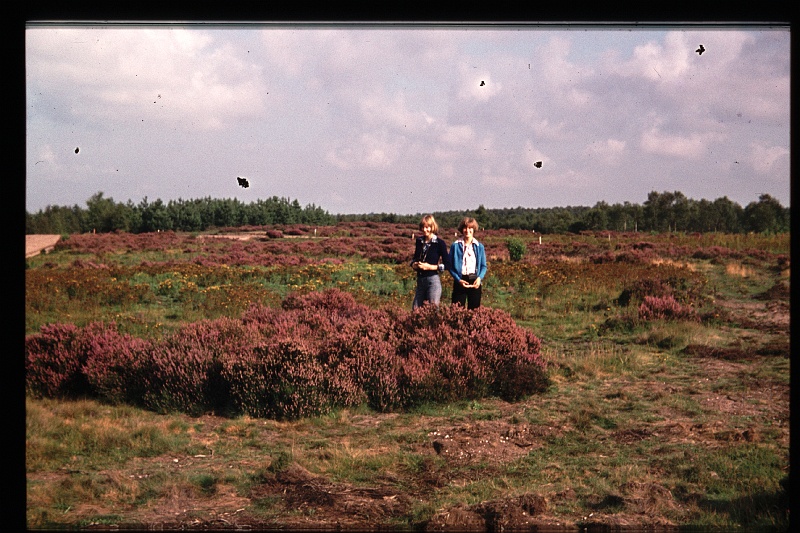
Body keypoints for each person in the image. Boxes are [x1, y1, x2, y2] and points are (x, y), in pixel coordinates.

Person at [411, 215, 450, 309]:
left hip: (432, 281)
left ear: (432, 227)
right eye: (423, 227)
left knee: (433, 310)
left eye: (427, 227)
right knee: (415, 309)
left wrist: (430, 267)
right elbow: (415, 258)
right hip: (420, 281)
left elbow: (448, 264)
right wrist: (414, 265)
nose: (425, 230)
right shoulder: (419, 241)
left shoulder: (440, 243)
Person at [448, 217, 487, 310]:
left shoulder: (479, 247)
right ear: (462, 229)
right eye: (465, 228)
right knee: (456, 311)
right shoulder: (455, 246)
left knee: (474, 312)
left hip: (474, 281)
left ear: (474, 229)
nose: (467, 230)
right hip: (460, 281)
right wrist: (458, 279)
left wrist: (479, 278)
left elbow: (483, 266)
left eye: (470, 228)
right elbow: (450, 266)